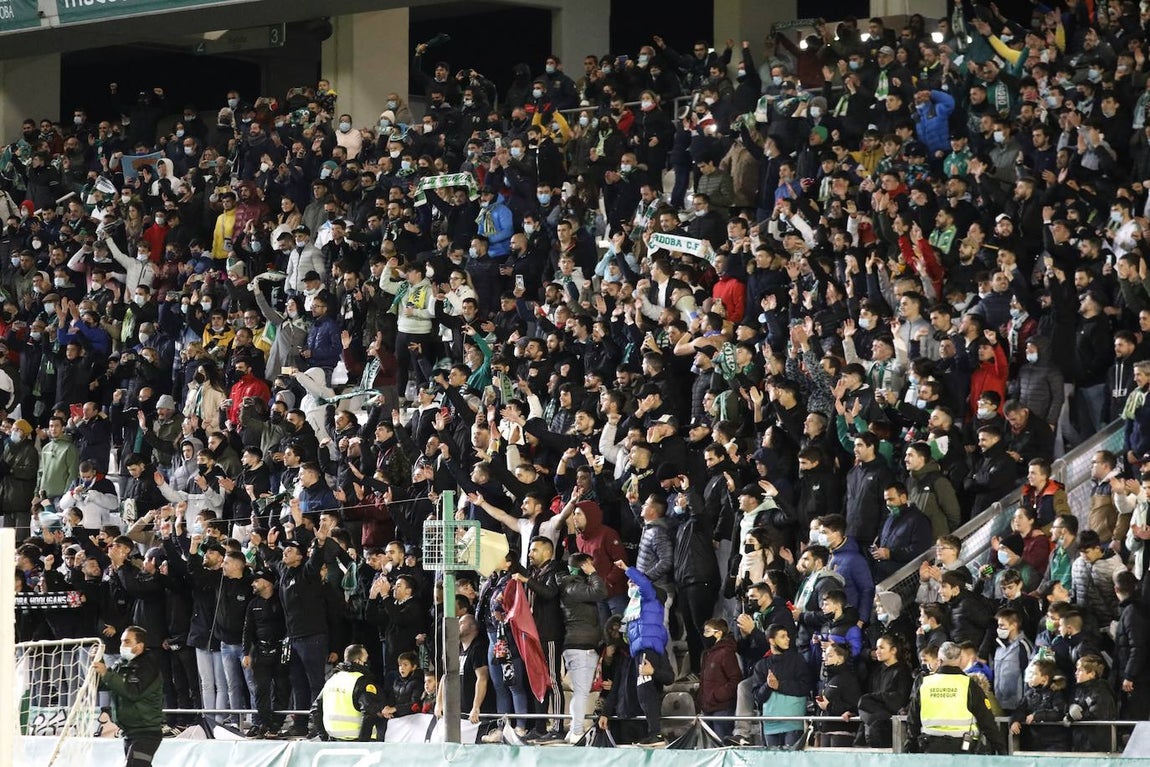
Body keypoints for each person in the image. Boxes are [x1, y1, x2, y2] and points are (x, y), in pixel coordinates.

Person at [905, 641, 1006, 754]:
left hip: (930, 748)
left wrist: (911, 745)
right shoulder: (969, 685)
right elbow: (987, 720)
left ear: (939, 660)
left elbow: (913, 719)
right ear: (960, 660)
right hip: (963, 749)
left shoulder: (925, 683)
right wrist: (1000, 748)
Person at [93, 626, 164, 767]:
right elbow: (102, 685)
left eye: (127, 642)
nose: (122, 646)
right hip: (129, 732)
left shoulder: (149, 667)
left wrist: (106, 674)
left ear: (139, 646)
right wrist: (98, 662)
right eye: (121, 642)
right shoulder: (121, 664)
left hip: (146, 732)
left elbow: (133, 693)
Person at [309, 644, 384, 741]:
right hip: (358, 742)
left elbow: (315, 710)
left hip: (334, 741)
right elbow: (369, 714)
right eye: (366, 659)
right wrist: (363, 744)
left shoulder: (332, 680)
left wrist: (323, 737)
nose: (367, 663)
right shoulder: (362, 682)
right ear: (358, 661)